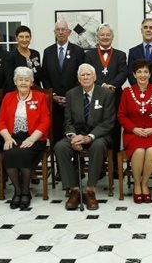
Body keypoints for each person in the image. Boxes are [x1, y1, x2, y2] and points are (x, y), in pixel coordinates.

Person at [54, 63, 115, 210]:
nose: (86, 77)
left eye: (88, 74)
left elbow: (108, 122)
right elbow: (68, 121)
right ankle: (74, 190)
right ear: (78, 78)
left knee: (98, 146)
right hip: (77, 134)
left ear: (94, 77)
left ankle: (90, 190)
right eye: (82, 75)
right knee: (60, 147)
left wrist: (89, 137)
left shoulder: (106, 94)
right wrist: (73, 137)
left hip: (98, 135)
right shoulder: (71, 94)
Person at [0, 67, 51, 210]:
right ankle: (18, 191)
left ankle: (26, 192)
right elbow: (0, 121)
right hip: (13, 137)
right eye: (20, 80)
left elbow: (45, 120)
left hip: (35, 138)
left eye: (27, 80)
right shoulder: (8, 97)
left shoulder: (39, 97)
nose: (23, 83)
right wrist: (7, 138)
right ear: (15, 82)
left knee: (24, 152)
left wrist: (32, 138)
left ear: (31, 82)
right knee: (9, 152)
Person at [117, 59, 152, 203]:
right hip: (133, 133)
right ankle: (137, 184)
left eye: (145, 71)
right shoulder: (127, 92)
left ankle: (145, 184)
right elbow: (121, 115)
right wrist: (134, 129)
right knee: (139, 151)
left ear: (150, 74)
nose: (143, 75)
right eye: (139, 72)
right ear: (134, 74)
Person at [84, 23, 127, 157]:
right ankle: (100, 165)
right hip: (95, 95)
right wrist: (103, 86)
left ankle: (114, 165)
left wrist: (111, 86)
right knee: (96, 127)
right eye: (102, 35)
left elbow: (123, 73)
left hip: (115, 96)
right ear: (97, 37)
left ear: (112, 37)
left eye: (108, 34)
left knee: (114, 128)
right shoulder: (89, 55)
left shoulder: (120, 54)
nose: (105, 37)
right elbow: (88, 73)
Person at [42, 21, 85, 146]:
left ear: (69, 32)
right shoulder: (48, 52)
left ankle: (79, 164)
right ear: (54, 32)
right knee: (57, 133)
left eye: (63, 29)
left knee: (76, 133)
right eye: (58, 30)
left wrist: (71, 95)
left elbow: (81, 75)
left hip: (74, 101)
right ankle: (59, 164)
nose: (61, 32)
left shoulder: (78, 51)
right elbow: (45, 76)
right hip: (54, 102)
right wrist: (53, 95)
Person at [4, 25, 43, 92]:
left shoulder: (35, 53)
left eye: (27, 37)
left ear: (30, 38)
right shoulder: (10, 56)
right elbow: (10, 80)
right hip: (19, 93)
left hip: (36, 92)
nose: (24, 40)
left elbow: (39, 76)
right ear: (16, 38)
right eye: (21, 37)